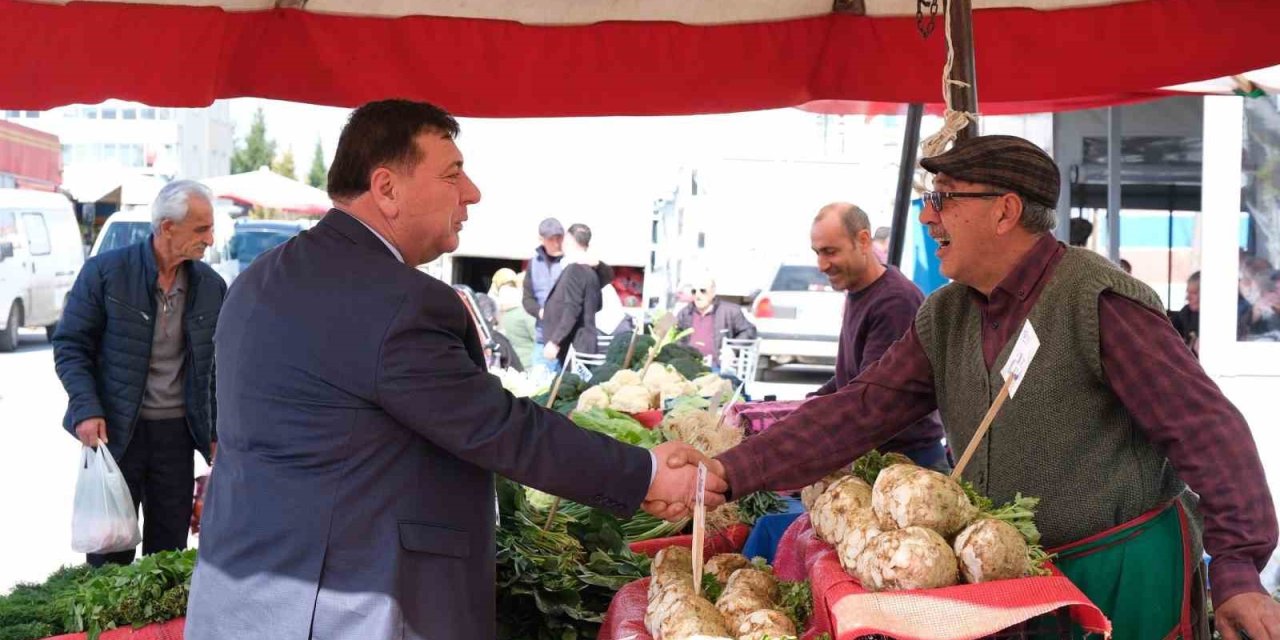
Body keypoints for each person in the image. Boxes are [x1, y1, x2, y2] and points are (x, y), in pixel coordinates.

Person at [676, 135, 1279, 640]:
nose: (927, 216)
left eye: (941, 199)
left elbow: (1207, 431)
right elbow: (861, 408)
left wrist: (1238, 569)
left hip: (1121, 574)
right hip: (1017, 583)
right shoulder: (946, 315)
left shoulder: (1097, 301)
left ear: (1005, 211)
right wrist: (730, 472)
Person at [184, 100, 723, 640]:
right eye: (452, 174)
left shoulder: (260, 277)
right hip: (346, 608)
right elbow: (498, 428)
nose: (472, 192)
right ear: (387, 188)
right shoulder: (396, 301)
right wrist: (644, 474)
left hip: (241, 596)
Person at [52, 180, 226, 567]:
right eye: (201, 229)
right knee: (109, 556)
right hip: (116, 437)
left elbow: (219, 369)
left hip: (177, 440)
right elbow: (70, 346)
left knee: (166, 560)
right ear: (167, 227)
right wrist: (86, 408)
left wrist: (218, 434)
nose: (210, 240)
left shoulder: (212, 288)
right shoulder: (106, 274)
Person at [807, 202, 948, 470]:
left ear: (862, 241)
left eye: (830, 252)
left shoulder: (894, 301)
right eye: (817, 253)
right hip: (880, 459)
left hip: (907, 466)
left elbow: (871, 400)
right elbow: (855, 375)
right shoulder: (859, 291)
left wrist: (810, 422)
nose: (821, 265)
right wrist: (813, 401)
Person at [541, 223, 611, 362]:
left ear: (570, 240)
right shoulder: (591, 271)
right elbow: (597, 304)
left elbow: (572, 308)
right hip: (585, 341)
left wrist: (555, 341)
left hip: (575, 344)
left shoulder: (575, 270)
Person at [674, 275, 757, 367]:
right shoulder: (684, 313)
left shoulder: (730, 311)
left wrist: (732, 348)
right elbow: (669, 332)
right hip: (688, 365)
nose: (698, 295)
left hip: (716, 367)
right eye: (694, 291)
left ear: (713, 293)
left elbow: (749, 331)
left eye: (703, 291)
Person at [522, 217, 565, 367]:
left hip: (567, 339)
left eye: (559, 238)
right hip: (542, 338)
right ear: (541, 239)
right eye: (551, 239)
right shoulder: (534, 264)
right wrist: (540, 312)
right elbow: (527, 299)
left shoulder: (569, 261)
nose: (556, 243)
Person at [492, 268, 537, 366]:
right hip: (527, 363)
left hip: (510, 362)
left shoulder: (498, 312)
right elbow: (537, 338)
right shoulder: (524, 314)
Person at [1170, 271, 1200, 353]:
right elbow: (1167, 329)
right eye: (1188, 292)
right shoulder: (1186, 313)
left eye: (1193, 293)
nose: (1187, 298)